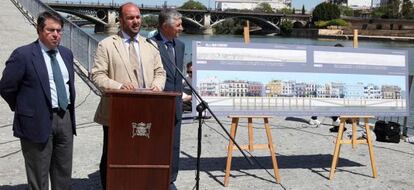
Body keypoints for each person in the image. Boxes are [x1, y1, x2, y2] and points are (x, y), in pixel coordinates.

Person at [91, 2, 166, 189]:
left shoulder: (151, 46)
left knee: (142, 156)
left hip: (147, 111)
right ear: (121, 20)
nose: (136, 21)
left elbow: (160, 72)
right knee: (112, 157)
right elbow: (97, 75)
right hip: (117, 113)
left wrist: (157, 87)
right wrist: (119, 86)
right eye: (131, 18)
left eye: (138, 17)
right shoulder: (106, 45)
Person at [0, 11, 76, 190]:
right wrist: (24, 109)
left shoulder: (66, 54)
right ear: (39, 30)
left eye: (59, 30)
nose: (56, 34)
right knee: (38, 175)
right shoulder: (23, 55)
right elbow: (6, 87)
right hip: (35, 121)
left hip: (64, 118)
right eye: (51, 30)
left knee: (63, 172)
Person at [150, 8, 184, 189]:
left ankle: (170, 180)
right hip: (157, 106)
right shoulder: (150, 45)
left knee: (174, 146)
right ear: (165, 26)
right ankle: (155, 178)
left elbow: (178, 77)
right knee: (156, 145)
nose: (182, 28)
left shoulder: (180, 45)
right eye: (178, 25)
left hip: (176, 105)